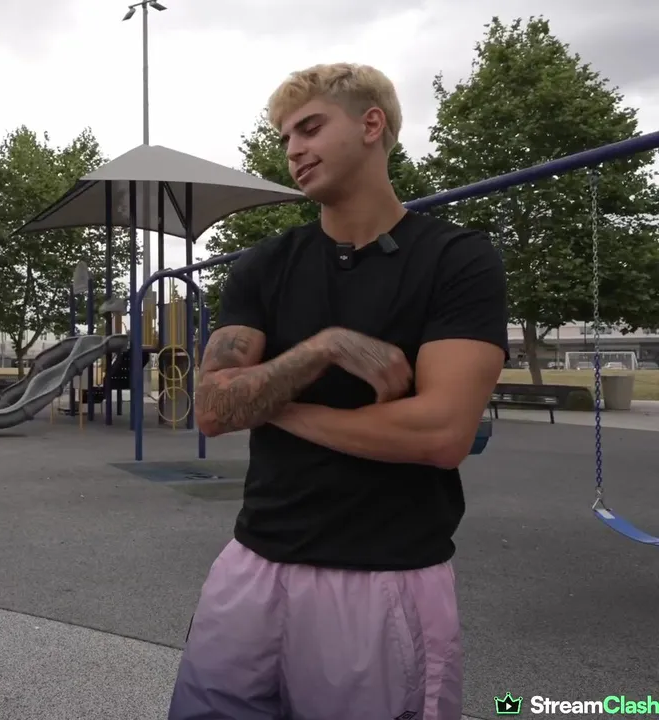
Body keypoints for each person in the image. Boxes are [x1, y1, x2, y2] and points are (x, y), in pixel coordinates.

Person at [168, 64, 508, 720]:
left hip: (383, 577)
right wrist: (322, 348)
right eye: (285, 138)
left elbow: (440, 434)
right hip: (252, 564)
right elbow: (210, 409)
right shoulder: (265, 264)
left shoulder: (457, 260)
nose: (293, 149)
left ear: (371, 124)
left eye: (310, 128)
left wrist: (276, 406)